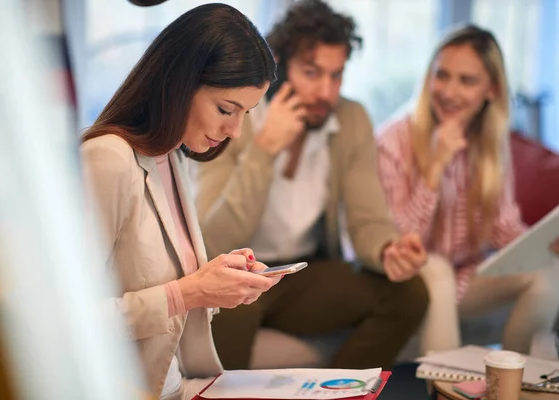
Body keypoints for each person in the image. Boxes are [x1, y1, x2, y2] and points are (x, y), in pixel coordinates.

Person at [195, 0, 429, 371]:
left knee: (410, 294)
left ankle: (342, 394)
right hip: (240, 273)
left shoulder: (350, 119)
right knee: (229, 310)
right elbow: (214, 239)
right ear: (280, 66)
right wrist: (263, 151)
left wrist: (388, 250)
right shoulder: (235, 116)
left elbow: (368, 219)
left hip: (301, 272)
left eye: (336, 76)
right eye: (312, 72)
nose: (326, 92)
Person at [81, 4, 281, 399]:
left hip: (179, 386)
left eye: (246, 114)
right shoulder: (107, 160)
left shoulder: (172, 156)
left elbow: (166, 288)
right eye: (226, 109)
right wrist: (188, 293)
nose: (235, 131)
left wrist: (221, 283)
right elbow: (69, 321)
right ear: (179, 83)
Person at [377, 25, 559, 357]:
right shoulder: (393, 140)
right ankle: (448, 388)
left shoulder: (490, 143)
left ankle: (513, 381)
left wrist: (542, 246)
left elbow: (504, 228)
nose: (449, 91)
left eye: (467, 81)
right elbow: (399, 240)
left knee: (548, 273)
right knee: (438, 268)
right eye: (441, 76)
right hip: (407, 278)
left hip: (464, 278)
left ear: (491, 89)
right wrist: (435, 166)